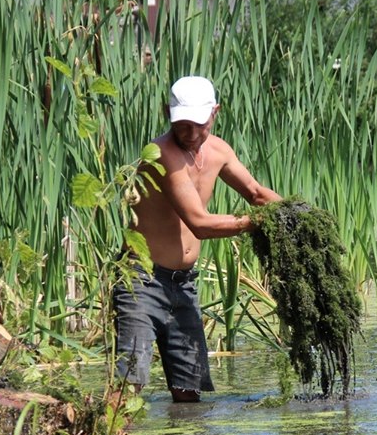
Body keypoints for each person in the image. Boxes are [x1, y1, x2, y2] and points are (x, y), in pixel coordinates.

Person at [113, 75, 282, 402]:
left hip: (184, 285)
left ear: (215, 113)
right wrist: (256, 223)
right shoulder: (161, 154)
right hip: (141, 281)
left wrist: (295, 214)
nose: (191, 134)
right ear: (168, 114)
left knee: (189, 396)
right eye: (182, 125)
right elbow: (199, 223)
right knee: (128, 386)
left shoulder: (219, 151)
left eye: (199, 125)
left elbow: (257, 194)